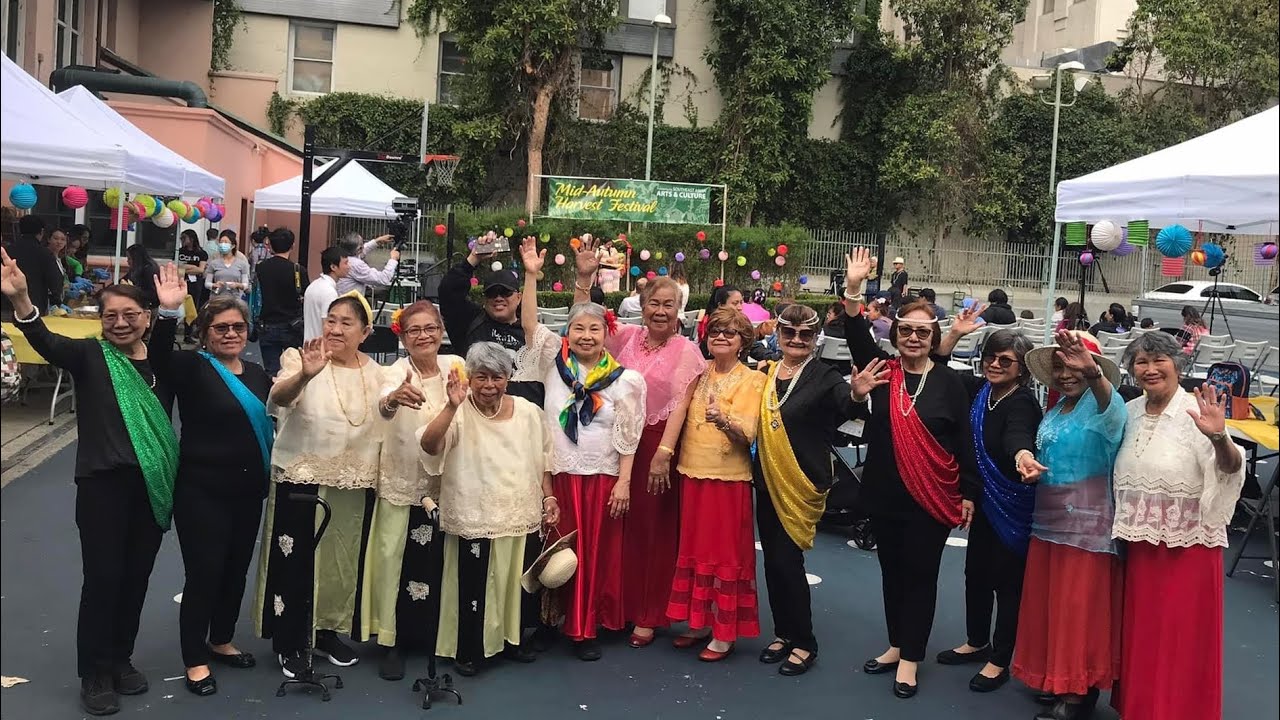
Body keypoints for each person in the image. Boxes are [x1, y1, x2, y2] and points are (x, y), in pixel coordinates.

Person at [1, 248, 177, 716]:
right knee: (103, 579)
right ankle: (95, 672)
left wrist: (175, 308)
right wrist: (22, 300)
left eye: (130, 315)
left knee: (137, 578)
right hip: (103, 487)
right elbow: (44, 340)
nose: (120, 323)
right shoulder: (89, 355)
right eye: (110, 315)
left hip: (153, 488)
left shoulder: (162, 361)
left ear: (148, 317)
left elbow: (176, 338)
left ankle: (121, 659)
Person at [843, 250, 979, 699]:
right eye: (907, 330)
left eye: (923, 331)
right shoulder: (883, 373)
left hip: (932, 501)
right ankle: (896, 643)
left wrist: (968, 493)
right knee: (890, 572)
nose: (914, 337)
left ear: (933, 336)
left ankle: (910, 659)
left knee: (920, 575)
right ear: (896, 334)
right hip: (885, 495)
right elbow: (856, 332)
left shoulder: (949, 384)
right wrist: (854, 289)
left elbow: (964, 444)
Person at [569, 238, 706, 649]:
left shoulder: (686, 350)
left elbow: (680, 406)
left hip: (656, 449)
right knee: (617, 530)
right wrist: (583, 278)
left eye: (668, 304)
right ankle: (617, 606)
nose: (660, 311)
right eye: (654, 303)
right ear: (641, 307)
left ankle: (649, 613)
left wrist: (663, 454)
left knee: (651, 532)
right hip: (614, 445)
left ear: (678, 310)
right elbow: (581, 324)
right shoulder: (625, 339)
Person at [515, 243, 647, 661]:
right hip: (558, 476)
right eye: (579, 330)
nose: (586, 336)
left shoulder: (626, 381)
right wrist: (533, 276)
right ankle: (551, 622)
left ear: (608, 334)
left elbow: (628, 437)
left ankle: (585, 627)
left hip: (604, 478)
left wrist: (624, 482)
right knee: (555, 552)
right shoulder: (555, 364)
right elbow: (531, 324)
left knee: (594, 555)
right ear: (568, 335)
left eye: (595, 330)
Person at [149, 269, 271, 698]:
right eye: (221, 327)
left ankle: (220, 639)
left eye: (238, 326)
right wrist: (166, 311)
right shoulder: (189, 366)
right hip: (201, 490)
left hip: (248, 490)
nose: (231, 333)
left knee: (236, 570)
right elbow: (156, 357)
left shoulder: (258, 374)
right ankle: (194, 658)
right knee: (204, 573)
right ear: (203, 331)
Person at [1111, 332, 1243, 720]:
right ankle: (1141, 708)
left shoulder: (1195, 411)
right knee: (1143, 634)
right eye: (1140, 362)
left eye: (1159, 361)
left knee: (1181, 638)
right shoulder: (1130, 410)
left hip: (1189, 547)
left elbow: (1232, 468)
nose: (1150, 369)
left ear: (1177, 365)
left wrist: (1219, 437)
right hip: (1140, 543)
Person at [254, 292, 384, 678]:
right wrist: (306, 375)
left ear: (365, 332)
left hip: (352, 480)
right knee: (295, 562)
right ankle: (290, 640)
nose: (336, 328)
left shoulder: (377, 372)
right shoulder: (300, 357)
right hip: (302, 476)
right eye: (331, 320)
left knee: (339, 563)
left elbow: (388, 410)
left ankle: (326, 632)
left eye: (346, 322)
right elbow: (277, 399)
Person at [1013, 330, 1125, 720]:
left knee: (1078, 610)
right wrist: (1027, 459)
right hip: (1048, 522)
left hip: (1086, 528)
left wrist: (1092, 372)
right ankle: (1058, 678)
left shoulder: (1104, 406)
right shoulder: (1058, 408)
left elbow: (1112, 407)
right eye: (1059, 366)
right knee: (1053, 606)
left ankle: (1080, 690)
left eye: (1074, 365)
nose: (1066, 373)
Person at [419, 342, 551, 676]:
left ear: (508, 378)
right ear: (470, 378)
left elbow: (544, 459)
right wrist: (450, 407)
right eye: (481, 377)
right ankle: (469, 649)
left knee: (515, 583)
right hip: (473, 512)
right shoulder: (458, 410)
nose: (489, 385)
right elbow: (429, 445)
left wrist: (549, 498)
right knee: (474, 586)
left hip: (519, 511)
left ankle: (511, 641)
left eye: (497, 377)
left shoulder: (527, 411)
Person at [751, 301, 860, 677]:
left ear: (816, 338)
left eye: (805, 334)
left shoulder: (825, 376)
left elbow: (846, 405)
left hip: (801, 481)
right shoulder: (765, 372)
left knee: (787, 562)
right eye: (789, 333)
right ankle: (783, 633)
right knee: (773, 562)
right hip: (766, 478)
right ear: (779, 335)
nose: (796, 339)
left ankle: (804, 642)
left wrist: (858, 394)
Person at [935, 315, 1043, 693]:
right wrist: (952, 335)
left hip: (1012, 504)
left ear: (1022, 368)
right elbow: (938, 368)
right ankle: (976, 640)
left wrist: (1022, 456)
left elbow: (1018, 435)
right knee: (976, 575)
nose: (995, 364)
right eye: (990, 357)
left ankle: (1000, 658)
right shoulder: (980, 391)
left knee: (1006, 583)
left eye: (1005, 360)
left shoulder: (1022, 403)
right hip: (981, 502)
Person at [360, 300, 457, 680]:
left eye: (430, 328)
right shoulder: (395, 371)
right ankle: (391, 640)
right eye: (414, 330)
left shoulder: (456, 365)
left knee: (436, 560)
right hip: (402, 479)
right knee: (393, 559)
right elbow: (381, 407)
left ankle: (434, 635)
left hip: (447, 481)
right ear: (401, 334)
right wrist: (392, 399)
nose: (423, 336)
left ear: (441, 329)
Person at [665, 307, 766, 660]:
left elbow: (749, 434)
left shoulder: (754, 380)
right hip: (691, 471)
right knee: (693, 549)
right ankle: (699, 621)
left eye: (730, 333)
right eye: (716, 331)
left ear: (743, 342)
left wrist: (724, 420)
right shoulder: (699, 371)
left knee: (723, 553)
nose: (721, 337)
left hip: (728, 480)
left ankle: (724, 632)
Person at [438, 242, 525, 359]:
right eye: (492, 293)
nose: (498, 298)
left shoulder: (529, 329)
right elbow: (448, 292)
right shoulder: (470, 321)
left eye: (505, 292)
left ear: (519, 297)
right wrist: (473, 259)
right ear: (484, 298)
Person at [253, 228, 309, 377]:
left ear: (270, 245)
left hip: (267, 324)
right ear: (292, 246)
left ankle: (272, 397)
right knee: (295, 368)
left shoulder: (261, 267)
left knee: (272, 371)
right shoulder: (298, 270)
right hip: (293, 325)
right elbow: (306, 295)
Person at [1, 216, 62, 320]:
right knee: (32, 332)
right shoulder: (44, 253)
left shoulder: (7, 251)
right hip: (34, 307)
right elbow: (55, 280)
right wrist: (57, 301)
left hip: (6, 305)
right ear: (41, 232)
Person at [302, 246, 351, 341]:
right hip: (321, 349)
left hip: (310, 345)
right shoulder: (329, 292)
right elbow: (328, 326)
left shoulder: (314, 285)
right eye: (345, 263)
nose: (349, 266)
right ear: (333, 267)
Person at [178, 230, 209, 341]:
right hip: (181, 281)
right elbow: (177, 267)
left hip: (195, 284)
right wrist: (191, 268)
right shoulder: (180, 251)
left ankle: (188, 334)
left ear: (191, 239)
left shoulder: (201, 253)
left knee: (192, 307)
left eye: (184, 238)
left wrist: (185, 267)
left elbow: (200, 269)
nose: (182, 241)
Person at [204, 235, 250, 300]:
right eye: (221, 242)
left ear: (233, 246)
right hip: (217, 299)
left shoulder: (241, 264)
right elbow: (207, 284)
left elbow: (246, 285)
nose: (223, 244)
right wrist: (214, 285)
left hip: (235, 300)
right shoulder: (214, 263)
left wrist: (237, 285)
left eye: (226, 242)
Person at [125, 244, 161, 310]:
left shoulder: (149, 270)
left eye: (129, 259)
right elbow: (124, 279)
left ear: (136, 258)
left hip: (150, 307)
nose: (127, 261)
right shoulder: (134, 269)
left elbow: (152, 293)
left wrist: (132, 290)